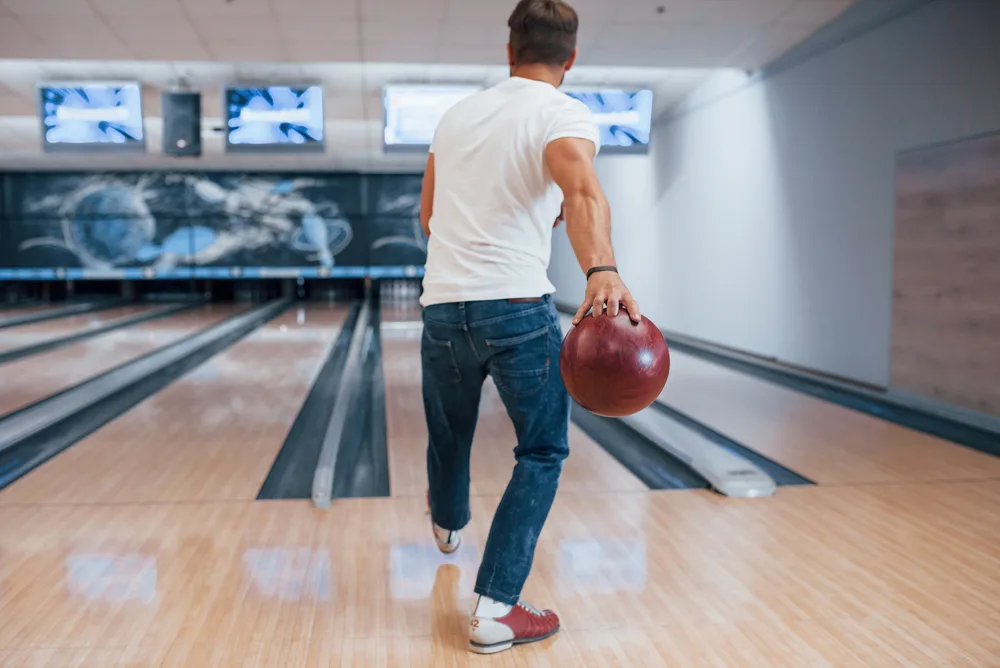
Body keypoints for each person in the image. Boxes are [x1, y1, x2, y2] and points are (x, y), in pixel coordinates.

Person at [418, 0, 640, 655]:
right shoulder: (561, 112)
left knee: (449, 431)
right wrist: (602, 266)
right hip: (515, 310)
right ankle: (495, 608)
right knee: (542, 451)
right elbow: (581, 190)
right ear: (570, 59)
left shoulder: (455, 118)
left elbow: (431, 218)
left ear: (508, 51)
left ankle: (449, 523)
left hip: (442, 308)